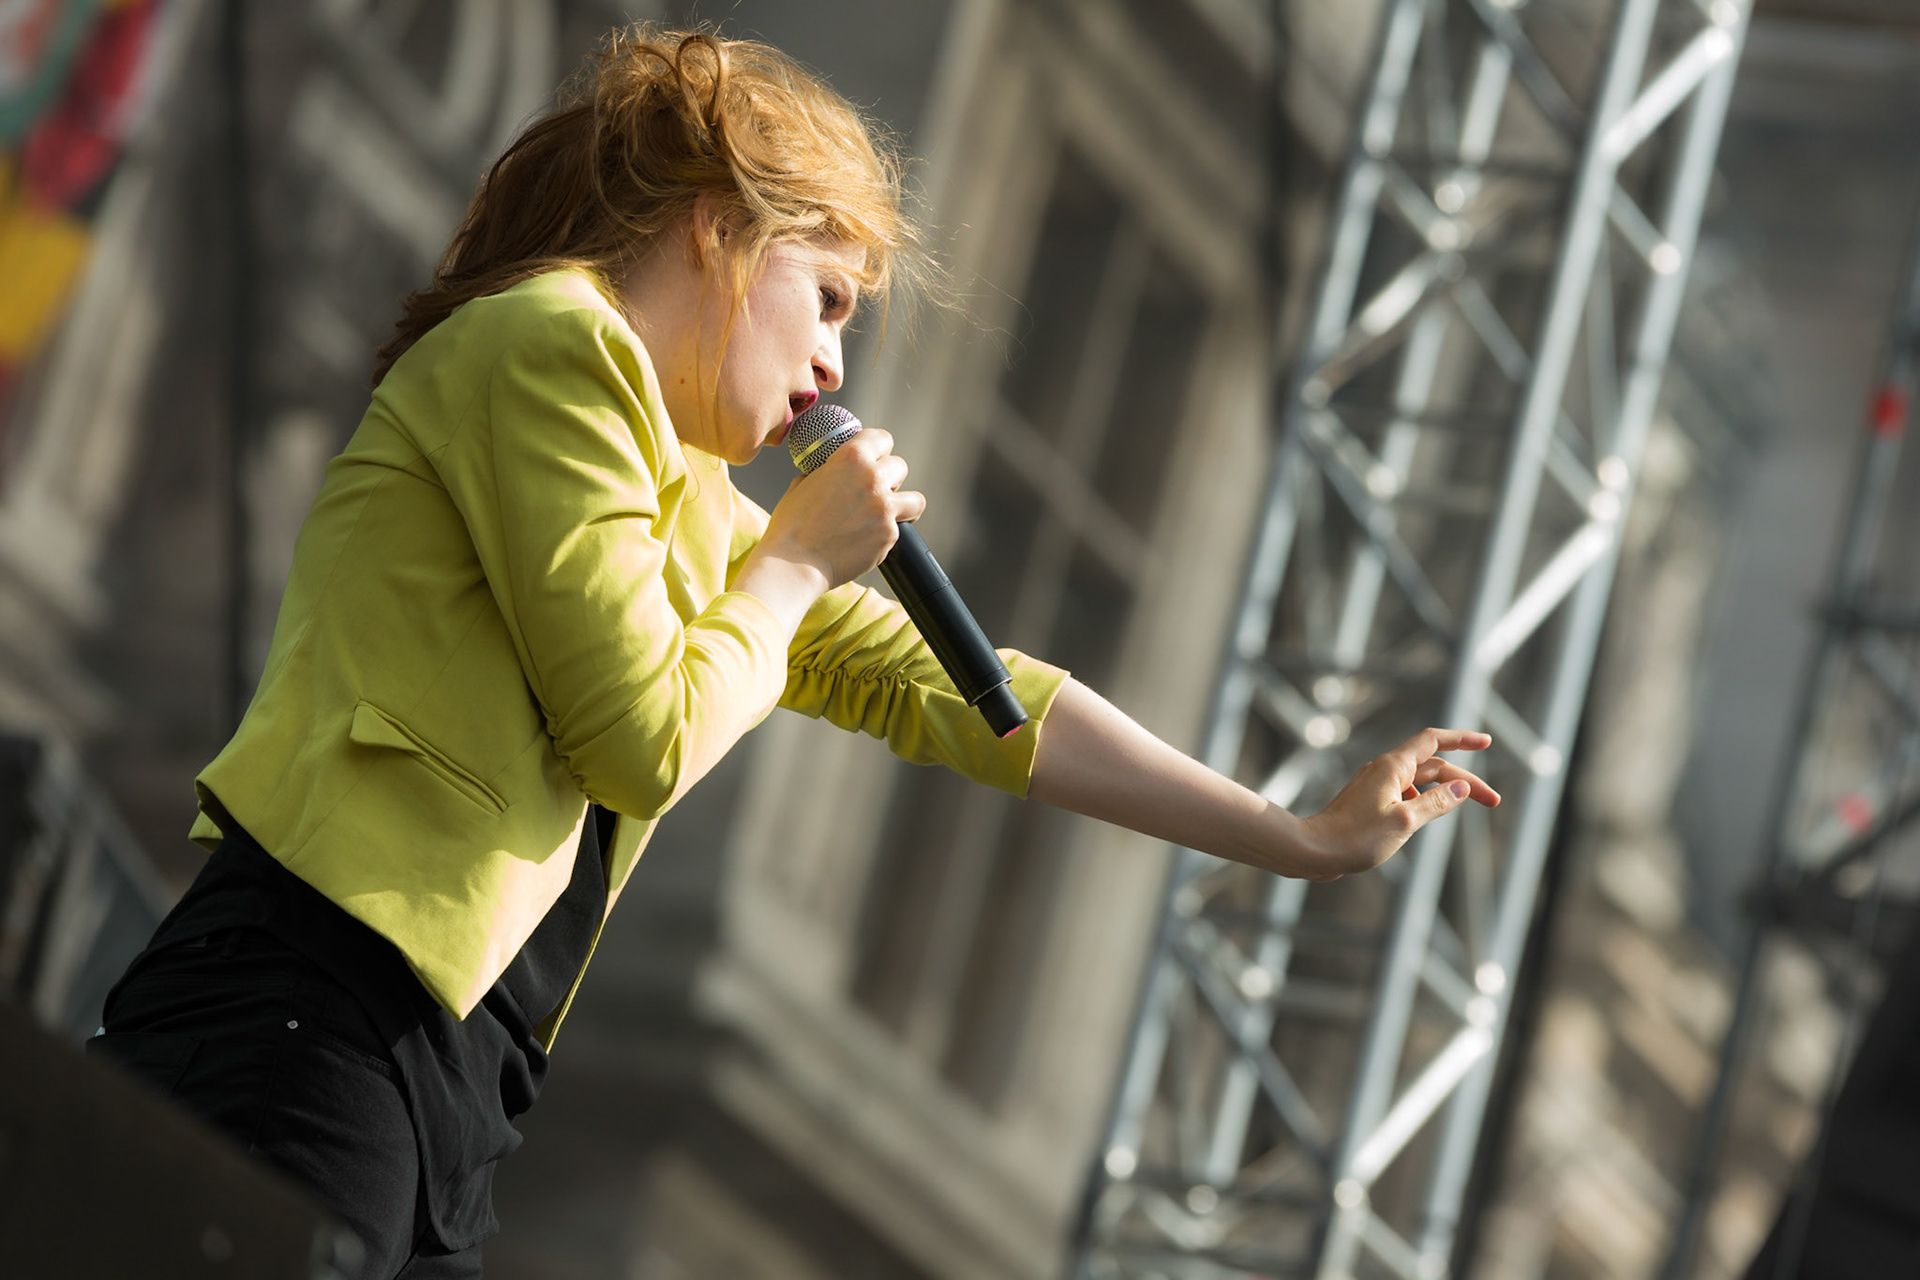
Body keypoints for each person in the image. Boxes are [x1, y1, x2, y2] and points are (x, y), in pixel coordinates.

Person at [87, 25, 1499, 1279]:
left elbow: (965, 698)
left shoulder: (698, 509)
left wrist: (1290, 834)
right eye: (825, 297)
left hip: (445, 1071)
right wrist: (801, 561)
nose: (834, 367)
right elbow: (638, 736)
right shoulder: (549, 348)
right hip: (312, 1002)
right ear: (716, 230)